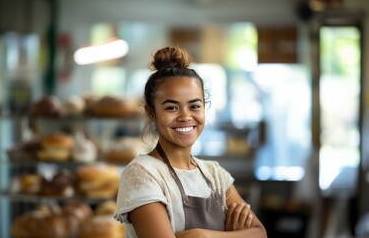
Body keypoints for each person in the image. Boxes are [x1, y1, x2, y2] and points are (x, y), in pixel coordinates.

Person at [114, 46, 267, 238]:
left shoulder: (215, 175)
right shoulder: (142, 173)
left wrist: (204, 236)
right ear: (151, 113)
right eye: (171, 108)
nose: (186, 117)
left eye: (194, 106)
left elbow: (260, 233)